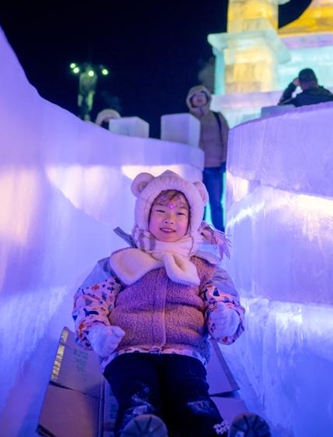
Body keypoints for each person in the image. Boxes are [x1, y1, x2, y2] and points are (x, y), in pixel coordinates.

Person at [72, 169, 270, 437]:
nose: (169, 219)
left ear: (192, 220)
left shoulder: (204, 268)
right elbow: (90, 299)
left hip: (183, 351)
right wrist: (97, 332)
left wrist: (226, 318)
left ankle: (213, 432)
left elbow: (223, 301)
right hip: (128, 351)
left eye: (180, 213)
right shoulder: (121, 262)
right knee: (137, 394)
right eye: (161, 211)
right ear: (145, 214)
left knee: (192, 397)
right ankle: (141, 431)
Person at [186, 85, 229, 232]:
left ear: (207, 98)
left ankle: (220, 232)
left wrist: (225, 161)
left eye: (201, 95)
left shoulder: (217, 117)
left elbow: (226, 139)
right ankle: (198, 231)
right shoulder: (187, 119)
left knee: (216, 202)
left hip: (214, 166)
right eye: (195, 95)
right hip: (193, 168)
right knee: (196, 202)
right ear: (190, 100)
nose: (198, 97)